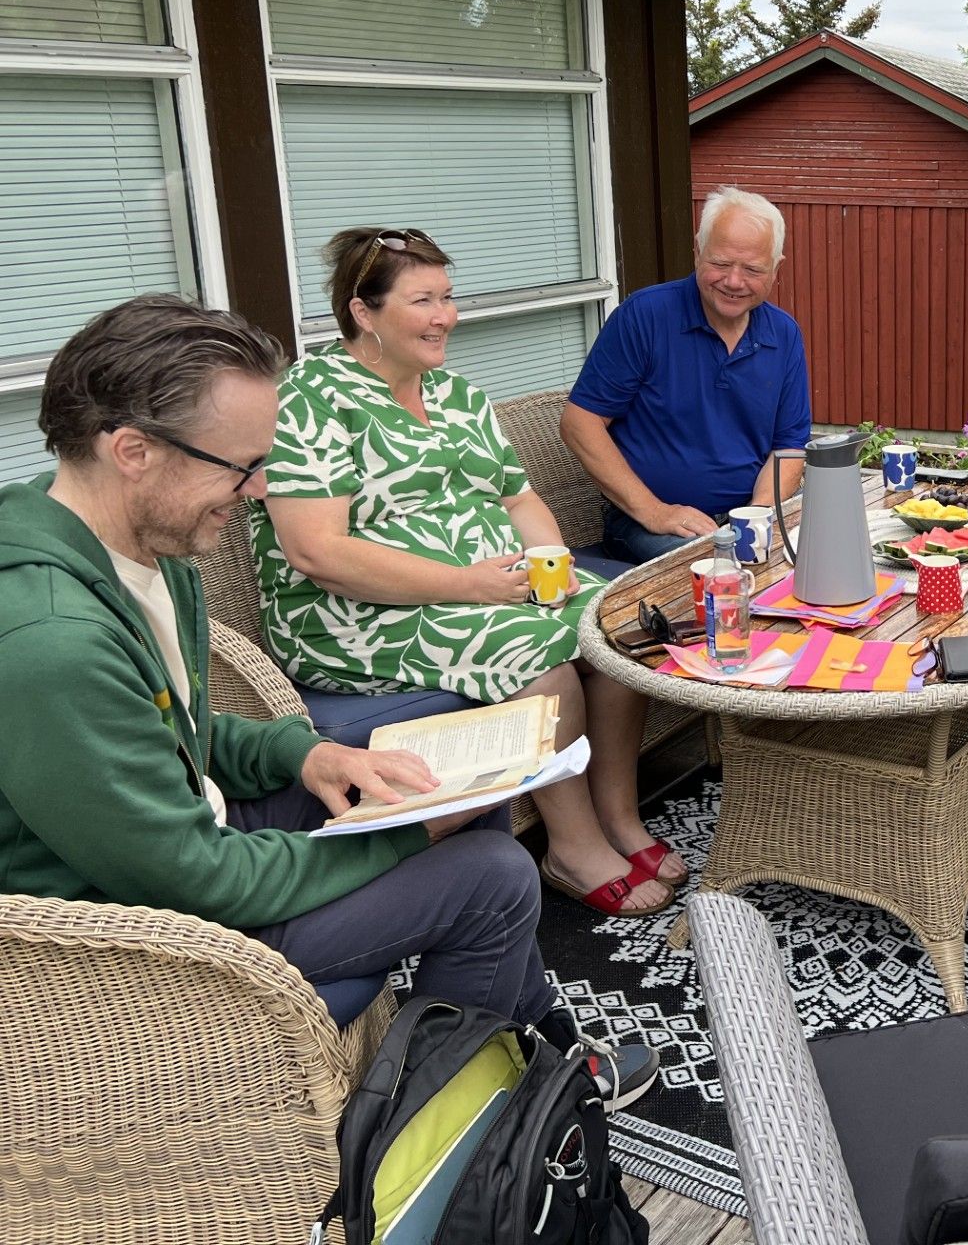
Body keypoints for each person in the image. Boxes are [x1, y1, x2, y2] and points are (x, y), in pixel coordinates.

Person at [0, 295, 653, 1101]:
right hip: (135, 952)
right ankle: (437, 1126)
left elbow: (179, 730)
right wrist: (409, 838)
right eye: (242, 466)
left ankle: (520, 1049)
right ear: (133, 449)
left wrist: (307, 752)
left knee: (423, 778)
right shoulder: (49, 643)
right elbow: (197, 880)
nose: (259, 490)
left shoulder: (136, 544)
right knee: (490, 874)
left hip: (176, 846)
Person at [252, 228, 685, 918]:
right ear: (364, 313)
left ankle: (619, 817)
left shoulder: (455, 395)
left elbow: (518, 497)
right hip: (350, 615)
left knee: (621, 622)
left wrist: (556, 566)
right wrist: (469, 585)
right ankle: (572, 846)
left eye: (447, 298)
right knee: (539, 654)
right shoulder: (311, 398)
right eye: (422, 300)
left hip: (490, 588)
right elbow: (317, 552)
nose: (444, 316)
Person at [562, 187, 811, 564]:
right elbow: (579, 423)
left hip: (744, 515)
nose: (733, 281)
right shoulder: (646, 316)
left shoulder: (784, 334)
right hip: (647, 525)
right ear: (698, 252)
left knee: (834, 552)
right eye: (721, 263)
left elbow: (789, 447)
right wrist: (653, 511)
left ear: (777, 269)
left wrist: (757, 516)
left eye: (753, 269)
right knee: (720, 570)